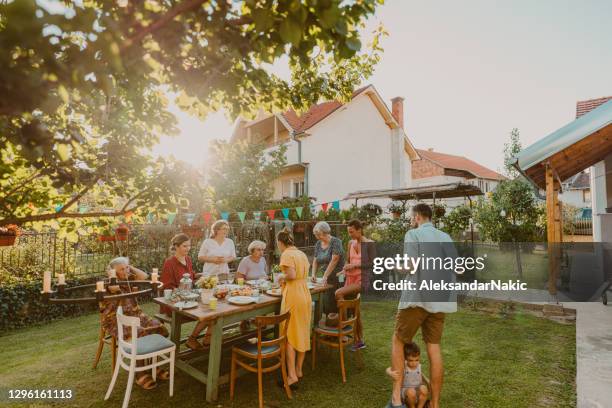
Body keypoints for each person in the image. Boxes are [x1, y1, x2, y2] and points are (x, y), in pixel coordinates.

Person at [387, 203, 457, 408]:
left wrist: (396, 267)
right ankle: (434, 404)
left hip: (417, 298)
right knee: (434, 347)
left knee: (398, 341)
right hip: (440, 298)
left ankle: (397, 399)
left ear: (417, 216)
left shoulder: (413, 234)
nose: (411, 220)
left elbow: (410, 265)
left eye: (411, 216)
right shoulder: (445, 237)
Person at [101, 257, 169, 390]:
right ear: (112, 272)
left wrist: (128, 267)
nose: (125, 271)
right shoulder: (107, 282)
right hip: (116, 319)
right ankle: (140, 372)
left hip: (136, 314)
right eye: (122, 269)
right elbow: (114, 288)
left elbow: (146, 277)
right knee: (140, 333)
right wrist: (112, 273)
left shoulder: (129, 277)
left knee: (159, 327)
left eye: (126, 268)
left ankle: (154, 366)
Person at [161, 233, 210, 351]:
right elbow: (167, 285)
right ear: (176, 247)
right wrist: (183, 294)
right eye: (184, 246)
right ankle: (193, 339)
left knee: (212, 310)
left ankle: (208, 338)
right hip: (175, 303)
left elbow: (191, 275)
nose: (188, 249)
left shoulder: (187, 259)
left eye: (189, 246)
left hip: (189, 298)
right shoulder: (169, 263)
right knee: (208, 314)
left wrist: (201, 275)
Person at [277, 228, 312, 388]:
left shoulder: (286, 254)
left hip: (293, 295)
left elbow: (290, 275)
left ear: (280, 243)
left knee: (289, 334)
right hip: (304, 292)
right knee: (302, 330)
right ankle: (298, 370)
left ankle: (291, 376)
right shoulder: (301, 254)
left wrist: (280, 276)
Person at [336, 219, 375, 351]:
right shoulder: (350, 243)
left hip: (363, 280)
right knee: (356, 310)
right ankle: (359, 340)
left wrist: (355, 265)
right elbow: (347, 261)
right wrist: (344, 269)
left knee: (339, 293)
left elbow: (373, 264)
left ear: (359, 230)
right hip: (350, 278)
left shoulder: (369, 244)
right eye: (348, 232)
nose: (350, 234)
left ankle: (345, 330)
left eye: (352, 232)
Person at [311, 221, 345, 318]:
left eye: (318, 234)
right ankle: (328, 322)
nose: (317, 236)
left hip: (339, 275)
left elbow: (334, 260)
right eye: (316, 234)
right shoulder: (318, 244)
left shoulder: (336, 242)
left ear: (324, 233)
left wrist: (325, 276)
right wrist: (313, 274)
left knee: (337, 297)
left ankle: (339, 321)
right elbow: (315, 260)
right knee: (326, 299)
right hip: (326, 276)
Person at [386, 342, 428, 408]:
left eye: (416, 360)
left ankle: (420, 406)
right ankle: (412, 406)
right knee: (411, 392)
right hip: (406, 391)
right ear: (405, 359)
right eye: (411, 360)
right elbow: (388, 369)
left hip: (417, 389)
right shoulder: (403, 366)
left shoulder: (418, 366)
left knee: (424, 388)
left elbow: (420, 374)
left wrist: (427, 380)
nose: (414, 363)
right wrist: (390, 373)